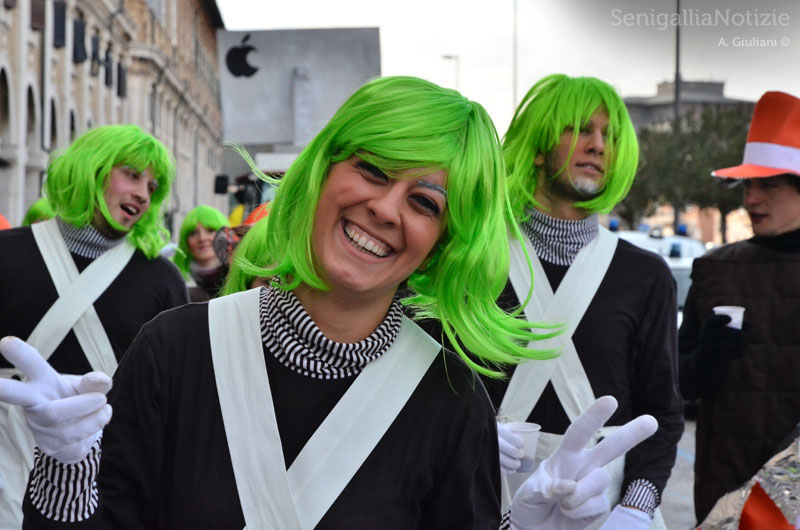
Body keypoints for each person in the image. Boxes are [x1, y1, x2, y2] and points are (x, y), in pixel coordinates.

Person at [0, 76, 656, 529]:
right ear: (321, 172)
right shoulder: (174, 349)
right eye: (372, 170)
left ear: (444, 242)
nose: (385, 209)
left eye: (424, 202)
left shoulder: (451, 400)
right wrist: (65, 468)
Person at [490, 74, 684, 529]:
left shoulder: (647, 275)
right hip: (488, 497)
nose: (597, 145)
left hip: (607, 509)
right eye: (579, 129)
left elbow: (662, 411)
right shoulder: (481, 261)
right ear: (538, 148)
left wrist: (636, 508)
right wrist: (467, 432)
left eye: (609, 135)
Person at [0, 124, 189, 527]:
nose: (143, 194)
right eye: (132, 175)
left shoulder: (162, 280)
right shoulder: (6, 253)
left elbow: (174, 395)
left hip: (103, 478)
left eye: (152, 187)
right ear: (91, 169)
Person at [678, 90, 800, 523]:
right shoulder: (715, 269)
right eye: (748, 184)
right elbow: (675, 383)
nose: (751, 199)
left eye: (768, 185)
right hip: (725, 498)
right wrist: (703, 361)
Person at [173, 204, 230, 301]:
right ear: (185, 241)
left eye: (210, 230)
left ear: (225, 235)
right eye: (193, 233)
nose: (202, 238)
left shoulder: (239, 274)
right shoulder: (174, 278)